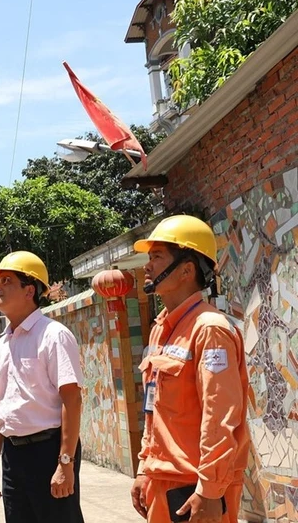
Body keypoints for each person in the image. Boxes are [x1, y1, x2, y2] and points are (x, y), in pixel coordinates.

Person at [129, 215, 250, 523]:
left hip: (194, 488)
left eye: (157, 256)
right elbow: (152, 410)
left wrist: (209, 490)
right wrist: (144, 468)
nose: (147, 265)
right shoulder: (161, 329)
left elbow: (219, 416)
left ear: (186, 270)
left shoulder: (209, 329)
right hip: (162, 482)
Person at [0, 251, 84, 523]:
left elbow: (71, 401)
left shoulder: (53, 335)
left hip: (48, 451)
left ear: (29, 290)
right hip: (13, 457)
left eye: (6, 280)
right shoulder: (1, 344)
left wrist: (65, 464)